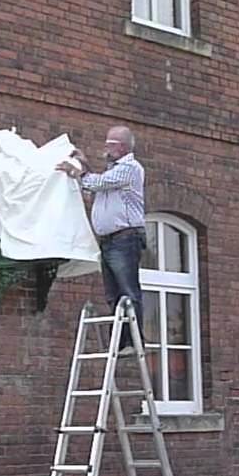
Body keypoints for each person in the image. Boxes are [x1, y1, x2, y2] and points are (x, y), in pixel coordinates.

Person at [56, 126, 146, 355]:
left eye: (110, 144)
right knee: (113, 294)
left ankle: (133, 342)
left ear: (123, 147)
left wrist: (77, 171)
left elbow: (97, 184)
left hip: (125, 238)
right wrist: (85, 166)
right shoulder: (113, 172)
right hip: (109, 240)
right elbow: (100, 182)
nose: (106, 147)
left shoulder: (130, 169)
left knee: (128, 291)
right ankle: (121, 341)